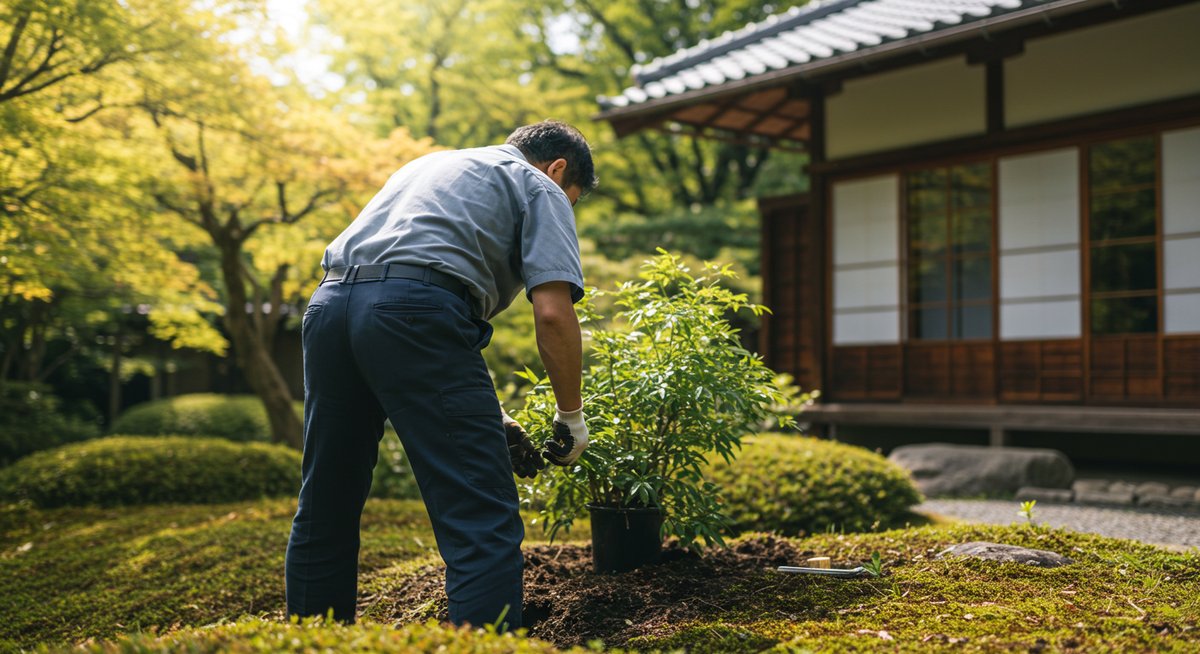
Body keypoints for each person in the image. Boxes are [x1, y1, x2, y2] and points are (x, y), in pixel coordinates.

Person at [285, 120, 596, 631]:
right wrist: (571, 417)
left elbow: (397, 283)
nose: (567, 206)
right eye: (573, 198)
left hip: (329, 308)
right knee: (480, 513)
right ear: (558, 168)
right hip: (417, 313)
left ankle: (310, 641)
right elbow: (553, 314)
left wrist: (491, 416)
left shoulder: (428, 166)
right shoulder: (540, 185)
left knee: (327, 501)